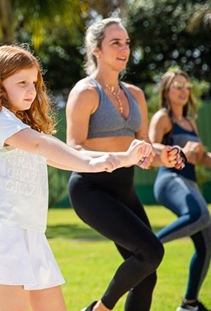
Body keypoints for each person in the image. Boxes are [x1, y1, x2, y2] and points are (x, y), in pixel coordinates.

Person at [0, 44, 152, 311]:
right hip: (0, 231)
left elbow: (52, 156)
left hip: (30, 230)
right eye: (22, 83)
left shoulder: (19, 124)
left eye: (34, 83)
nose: (31, 90)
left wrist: (113, 159)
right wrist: (98, 161)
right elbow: (42, 146)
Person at [65, 18, 186, 311]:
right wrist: (120, 153)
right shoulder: (85, 92)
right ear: (96, 50)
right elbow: (73, 146)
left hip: (124, 188)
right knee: (150, 252)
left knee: (147, 273)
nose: (124, 49)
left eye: (127, 42)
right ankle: (100, 309)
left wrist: (163, 155)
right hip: (91, 189)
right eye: (115, 43)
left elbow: (144, 144)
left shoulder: (135, 95)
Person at [149, 69, 211, 311]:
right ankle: (146, 248)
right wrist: (180, 151)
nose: (183, 90)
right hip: (170, 179)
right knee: (199, 216)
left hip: (190, 183)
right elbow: (151, 146)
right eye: (177, 86)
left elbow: (202, 157)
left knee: (207, 245)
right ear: (166, 90)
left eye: (186, 86)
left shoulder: (190, 121)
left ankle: (189, 304)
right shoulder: (163, 117)